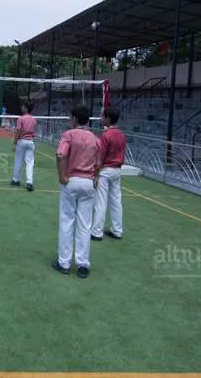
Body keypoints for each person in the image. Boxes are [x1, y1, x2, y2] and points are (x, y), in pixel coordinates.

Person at [53, 105, 98, 278]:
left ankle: (64, 262)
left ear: (74, 118)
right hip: (88, 182)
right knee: (85, 225)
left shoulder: (69, 135)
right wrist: (97, 177)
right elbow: (99, 163)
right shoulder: (95, 139)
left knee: (67, 222)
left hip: (72, 181)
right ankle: (83, 263)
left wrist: (61, 175)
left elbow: (60, 155)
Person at [91, 107, 127, 241]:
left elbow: (100, 157)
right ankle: (117, 230)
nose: (101, 119)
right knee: (116, 201)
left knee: (101, 201)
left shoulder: (106, 135)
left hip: (106, 170)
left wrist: (96, 174)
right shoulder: (121, 134)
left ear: (108, 118)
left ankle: (97, 231)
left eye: (102, 117)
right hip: (117, 170)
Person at [11, 102, 37, 192]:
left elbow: (18, 131)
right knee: (30, 163)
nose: (21, 108)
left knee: (18, 160)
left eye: (22, 106)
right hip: (30, 142)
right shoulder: (34, 120)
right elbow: (34, 133)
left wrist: (14, 143)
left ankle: (15, 180)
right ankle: (29, 182)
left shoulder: (21, 118)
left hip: (22, 141)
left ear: (26, 108)